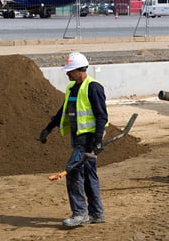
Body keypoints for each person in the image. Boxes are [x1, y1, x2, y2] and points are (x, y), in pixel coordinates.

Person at [39, 52, 109, 228]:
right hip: (78, 138)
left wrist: (98, 140)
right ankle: (96, 213)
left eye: (70, 71)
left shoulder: (93, 87)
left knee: (73, 172)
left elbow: (102, 116)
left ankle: (79, 214)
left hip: (88, 140)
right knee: (88, 176)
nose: (67, 74)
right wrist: (49, 128)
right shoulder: (72, 88)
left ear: (80, 70)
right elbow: (62, 111)